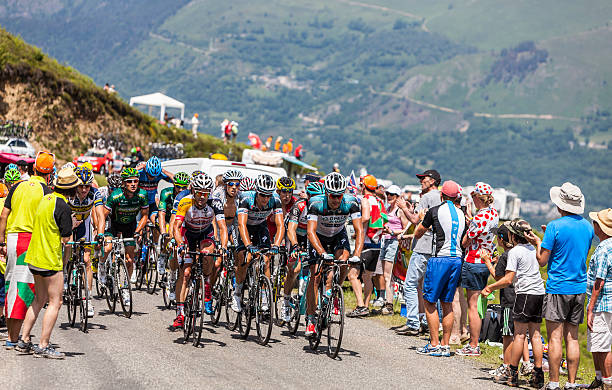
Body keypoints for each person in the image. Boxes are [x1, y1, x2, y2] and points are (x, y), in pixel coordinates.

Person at [525, 182, 594, 390]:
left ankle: (554, 382)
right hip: (579, 287)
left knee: (555, 338)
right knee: (572, 338)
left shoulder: (555, 226)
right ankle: (571, 383)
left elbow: (542, 260)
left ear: (560, 205)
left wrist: (539, 242)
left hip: (558, 287)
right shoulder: (588, 227)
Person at [15, 167, 78, 359]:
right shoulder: (64, 206)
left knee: (38, 299)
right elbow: (66, 238)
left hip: (34, 256)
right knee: (55, 302)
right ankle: (43, 344)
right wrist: (73, 223)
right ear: (73, 189)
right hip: (49, 258)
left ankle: (24, 340)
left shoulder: (46, 198)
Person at [482, 219, 545, 387]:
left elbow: (508, 279)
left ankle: (513, 374)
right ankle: (538, 376)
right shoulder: (532, 248)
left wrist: (490, 287)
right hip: (539, 292)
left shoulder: (515, 252)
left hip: (524, 294)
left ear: (513, 235)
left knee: (519, 335)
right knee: (535, 335)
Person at [0, 150, 53, 349]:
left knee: (11, 287)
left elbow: (4, 216)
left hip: (12, 239)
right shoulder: (46, 190)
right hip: (30, 240)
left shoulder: (18, 187)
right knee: (27, 289)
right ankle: (19, 338)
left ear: (33, 168)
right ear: (49, 173)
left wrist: (1, 242)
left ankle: (13, 337)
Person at [306, 172, 363, 336]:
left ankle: (334, 291)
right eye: (333, 196)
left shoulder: (351, 202)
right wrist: (322, 253)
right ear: (326, 193)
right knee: (315, 276)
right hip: (318, 238)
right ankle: (310, 319)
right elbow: (310, 232)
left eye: (339, 196)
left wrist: (357, 254)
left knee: (345, 262)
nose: (336, 200)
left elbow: (359, 230)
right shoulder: (315, 203)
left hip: (338, 235)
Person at [414, 181, 466, 357]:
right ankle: (445, 345)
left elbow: (418, 233)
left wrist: (423, 220)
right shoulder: (462, 214)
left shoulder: (434, 211)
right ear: (457, 197)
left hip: (440, 259)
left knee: (429, 301)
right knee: (447, 303)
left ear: (441, 196)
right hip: (457, 259)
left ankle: (434, 343)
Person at [395, 169, 441, 336]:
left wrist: (403, 208)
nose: (421, 181)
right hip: (435, 248)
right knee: (424, 287)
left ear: (433, 181)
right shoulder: (440, 197)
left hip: (422, 246)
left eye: (424, 178)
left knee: (410, 284)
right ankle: (423, 321)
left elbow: (416, 220)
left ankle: (413, 322)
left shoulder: (427, 197)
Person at [456, 182, 499, 356]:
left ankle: (474, 344)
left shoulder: (479, 218)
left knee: (472, 305)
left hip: (473, 260)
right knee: (479, 304)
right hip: (486, 260)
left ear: (476, 198)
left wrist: (469, 228)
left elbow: (467, 240)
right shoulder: (493, 214)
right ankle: (475, 342)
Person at [232, 174, 284, 313]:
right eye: (262, 195)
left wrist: (277, 245)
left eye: (268, 195)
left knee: (266, 259)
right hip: (242, 227)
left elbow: (280, 225)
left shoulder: (275, 200)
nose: (266, 199)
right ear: (256, 192)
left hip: (260, 226)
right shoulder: (246, 198)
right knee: (245, 257)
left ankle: (264, 296)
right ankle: (237, 293)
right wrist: (248, 245)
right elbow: (242, 225)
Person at [172, 173, 218, 327]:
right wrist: (180, 244)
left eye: (205, 193)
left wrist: (221, 245)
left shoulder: (214, 203)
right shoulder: (185, 202)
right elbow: (176, 227)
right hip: (188, 235)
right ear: (193, 190)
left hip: (205, 233)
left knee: (207, 255)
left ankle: (206, 285)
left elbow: (222, 227)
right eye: (199, 192)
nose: (202, 197)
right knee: (185, 273)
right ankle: (180, 313)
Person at [100, 167, 149, 304]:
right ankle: (102, 265)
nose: (133, 184)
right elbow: (103, 216)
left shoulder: (142, 195)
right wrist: (100, 232)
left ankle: (126, 289)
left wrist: (138, 231)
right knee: (108, 248)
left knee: (129, 259)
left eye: (136, 181)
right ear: (123, 183)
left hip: (130, 226)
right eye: (129, 181)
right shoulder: (115, 196)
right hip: (114, 224)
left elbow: (145, 216)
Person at [283, 182, 324, 322]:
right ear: (308, 196)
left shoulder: (321, 207)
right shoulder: (299, 206)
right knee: (294, 270)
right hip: (296, 236)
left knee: (316, 272)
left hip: (310, 236)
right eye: (313, 196)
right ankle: (286, 303)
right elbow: (291, 230)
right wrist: (295, 246)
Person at [68, 167, 105, 318]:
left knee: (86, 260)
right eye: (81, 186)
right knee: (69, 248)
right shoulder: (69, 192)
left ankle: (88, 299)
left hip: (84, 224)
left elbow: (100, 215)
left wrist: (101, 233)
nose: (84, 189)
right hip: (69, 222)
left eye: (87, 186)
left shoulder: (94, 193)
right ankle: (65, 275)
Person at [347, 174, 385, 317]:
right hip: (376, 244)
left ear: (363, 186)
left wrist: (357, 227)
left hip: (366, 243)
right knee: (367, 276)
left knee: (352, 275)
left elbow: (366, 217)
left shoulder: (365, 199)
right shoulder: (378, 201)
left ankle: (360, 305)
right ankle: (366, 306)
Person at [586, 208, 612, 390]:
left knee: (603, 345)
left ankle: (608, 381)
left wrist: (590, 307)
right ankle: (600, 379)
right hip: (605, 302)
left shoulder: (603, 249)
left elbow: (599, 281)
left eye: (596, 222)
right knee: (597, 342)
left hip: (602, 303)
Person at [377, 184, 408, 315]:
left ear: (397, 197)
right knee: (385, 275)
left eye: (392, 195)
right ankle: (387, 302)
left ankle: (389, 304)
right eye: (387, 194)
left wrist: (393, 231)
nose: (389, 196)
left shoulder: (399, 211)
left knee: (388, 275)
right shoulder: (387, 209)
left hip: (394, 242)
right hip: (386, 241)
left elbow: (406, 229)